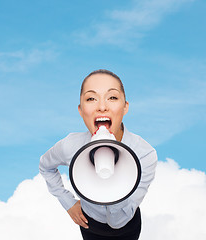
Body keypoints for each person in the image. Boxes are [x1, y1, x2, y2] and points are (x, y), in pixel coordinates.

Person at [39, 69, 157, 240]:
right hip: (90, 226)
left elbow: (118, 221)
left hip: (126, 228)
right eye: (91, 99)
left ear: (125, 107)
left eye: (113, 97)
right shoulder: (70, 146)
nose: (102, 106)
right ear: (81, 110)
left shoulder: (145, 154)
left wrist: (114, 185)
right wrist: (68, 203)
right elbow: (45, 166)